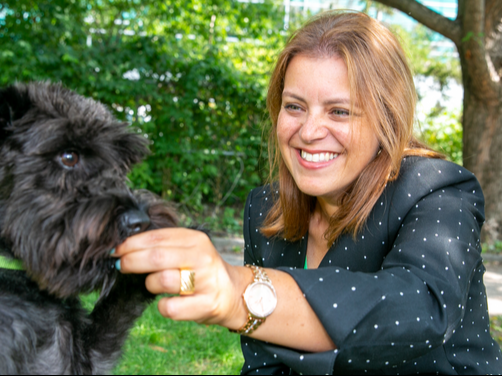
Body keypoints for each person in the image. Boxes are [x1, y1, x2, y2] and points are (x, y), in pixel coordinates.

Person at [114, 10, 502, 374]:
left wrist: (242, 293)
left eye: (339, 111)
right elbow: (265, 363)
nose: (309, 130)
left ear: (386, 119)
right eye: (295, 106)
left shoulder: (438, 191)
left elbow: (419, 310)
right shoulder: (264, 209)